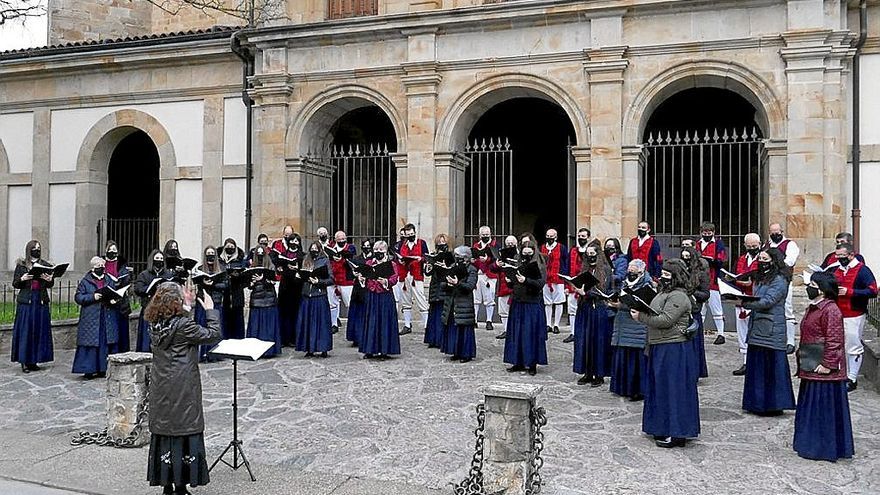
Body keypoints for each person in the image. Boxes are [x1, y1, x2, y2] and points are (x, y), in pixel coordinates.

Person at [145, 282, 221, 495]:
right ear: (175, 302)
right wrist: (210, 310)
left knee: (167, 429)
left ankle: (167, 485)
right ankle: (180, 486)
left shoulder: (155, 323)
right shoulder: (183, 326)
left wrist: (187, 307)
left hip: (162, 384)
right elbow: (212, 334)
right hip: (182, 384)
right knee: (183, 428)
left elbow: (179, 325)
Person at [632, 260, 700, 448]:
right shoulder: (665, 292)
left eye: (667, 274)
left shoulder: (679, 296)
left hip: (673, 347)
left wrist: (641, 317)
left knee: (673, 389)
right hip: (660, 344)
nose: (663, 277)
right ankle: (662, 427)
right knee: (661, 388)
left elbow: (666, 319)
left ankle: (676, 431)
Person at [793, 271, 854, 462]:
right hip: (811, 364)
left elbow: (835, 339)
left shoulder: (831, 310)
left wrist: (828, 364)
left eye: (812, 284)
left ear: (821, 289)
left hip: (823, 370)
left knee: (823, 410)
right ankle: (810, 444)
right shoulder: (816, 307)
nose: (808, 287)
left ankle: (822, 447)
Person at [738, 248, 795, 416]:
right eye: (760, 258)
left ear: (773, 260)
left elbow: (768, 301)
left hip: (771, 329)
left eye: (765, 258)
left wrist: (745, 303)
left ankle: (772, 404)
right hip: (759, 327)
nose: (761, 261)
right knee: (758, 367)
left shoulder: (779, 279)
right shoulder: (763, 278)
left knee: (771, 368)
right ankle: (756, 403)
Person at [831, 242, 878, 392]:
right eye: (837, 256)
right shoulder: (837, 269)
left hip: (854, 314)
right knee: (838, 345)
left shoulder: (863, 271)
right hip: (838, 313)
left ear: (851, 255)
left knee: (853, 346)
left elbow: (872, 291)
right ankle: (841, 373)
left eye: (842, 256)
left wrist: (851, 292)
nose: (839, 259)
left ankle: (852, 378)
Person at [503, 240, 548, 376]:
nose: (526, 255)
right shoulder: (518, 262)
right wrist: (510, 281)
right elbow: (516, 282)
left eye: (529, 253)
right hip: (518, 301)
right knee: (517, 332)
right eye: (524, 253)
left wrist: (526, 280)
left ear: (533, 252)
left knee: (530, 333)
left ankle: (532, 363)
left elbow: (541, 283)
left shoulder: (539, 264)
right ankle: (518, 362)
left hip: (532, 303)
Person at [572, 245, 614, 386]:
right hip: (585, 309)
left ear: (598, 254)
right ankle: (587, 372)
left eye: (592, 253)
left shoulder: (606, 270)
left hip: (599, 309)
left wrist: (587, 293)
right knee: (585, 341)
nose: (590, 256)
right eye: (588, 253)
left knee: (599, 342)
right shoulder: (584, 270)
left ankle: (599, 374)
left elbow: (605, 291)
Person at [72, 256, 121, 378]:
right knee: (90, 343)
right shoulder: (85, 281)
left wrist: (114, 299)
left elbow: (114, 292)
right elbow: (78, 297)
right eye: (98, 266)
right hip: (91, 317)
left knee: (105, 342)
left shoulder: (108, 280)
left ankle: (103, 369)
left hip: (106, 315)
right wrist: (92, 297)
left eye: (103, 266)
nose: (101, 268)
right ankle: (88, 369)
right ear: (93, 268)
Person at [608, 260, 650, 400]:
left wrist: (622, 305)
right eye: (629, 270)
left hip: (636, 327)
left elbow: (645, 304)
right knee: (623, 357)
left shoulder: (647, 284)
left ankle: (637, 390)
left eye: (633, 271)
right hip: (621, 323)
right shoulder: (625, 283)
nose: (630, 273)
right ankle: (621, 387)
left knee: (635, 360)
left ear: (641, 271)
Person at [11, 240, 55, 373]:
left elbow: (49, 284)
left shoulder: (44, 265)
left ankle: (35, 360)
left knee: (38, 329)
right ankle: (24, 361)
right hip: (26, 301)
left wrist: (49, 280)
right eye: (34, 248)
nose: (37, 250)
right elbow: (15, 284)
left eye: (39, 248)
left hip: (40, 300)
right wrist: (22, 279)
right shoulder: (22, 265)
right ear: (29, 249)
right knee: (26, 330)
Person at [358, 241, 401, 359]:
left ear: (385, 251)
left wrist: (386, 281)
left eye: (380, 251)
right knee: (371, 321)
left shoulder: (391, 264)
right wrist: (362, 278)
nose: (378, 253)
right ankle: (369, 349)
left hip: (385, 296)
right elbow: (364, 278)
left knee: (384, 322)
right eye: (376, 251)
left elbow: (395, 278)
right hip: (372, 295)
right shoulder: (369, 263)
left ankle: (384, 350)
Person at [295, 242, 334, 358]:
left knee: (321, 323)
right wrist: (299, 277)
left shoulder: (325, 260)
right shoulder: (306, 260)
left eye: (316, 249)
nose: (313, 251)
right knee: (308, 323)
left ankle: (323, 348)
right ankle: (309, 348)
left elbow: (331, 279)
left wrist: (319, 282)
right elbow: (301, 278)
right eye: (311, 249)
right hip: (307, 295)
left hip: (319, 295)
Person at [765, 223, 800, 353]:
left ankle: (790, 341)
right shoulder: (767, 245)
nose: (775, 234)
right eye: (772, 232)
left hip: (784, 281)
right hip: (768, 281)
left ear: (782, 231)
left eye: (777, 232)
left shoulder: (790, 245)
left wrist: (772, 262)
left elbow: (789, 262)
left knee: (787, 309)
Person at [440, 246, 479, 363]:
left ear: (466, 258)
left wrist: (457, 284)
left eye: (459, 257)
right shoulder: (452, 267)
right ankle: (455, 351)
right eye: (456, 256)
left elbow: (470, 286)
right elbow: (442, 283)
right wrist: (449, 284)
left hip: (464, 302)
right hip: (452, 301)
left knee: (464, 329)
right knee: (453, 327)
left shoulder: (471, 269)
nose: (457, 259)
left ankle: (466, 354)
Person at [730, 233, 761, 375]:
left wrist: (752, 283)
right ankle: (745, 361)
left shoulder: (764, 259)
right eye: (749, 246)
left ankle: (757, 363)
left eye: (754, 246)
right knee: (742, 331)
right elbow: (735, 274)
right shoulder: (742, 259)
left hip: (756, 299)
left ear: (760, 244)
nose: (752, 248)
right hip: (741, 298)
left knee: (757, 331)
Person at [694, 222, 728, 345]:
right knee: (700, 308)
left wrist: (711, 260)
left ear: (713, 232)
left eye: (709, 233)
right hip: (699, 280)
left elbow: (721, 260)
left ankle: (721, 334)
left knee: (716, 307)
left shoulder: (718, 244)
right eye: (704, 233)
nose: (706, 235)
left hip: (713, 279)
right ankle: (698, 332)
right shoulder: (698, 244)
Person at [680, 246, 710, 378]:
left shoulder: (701, 274)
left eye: (688, 257)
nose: (685, 260)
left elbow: (705, 294)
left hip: (694, 310)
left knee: (694, 344)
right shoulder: (679, 272)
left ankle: (695, 372)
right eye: (683, 257)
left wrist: (691, 292)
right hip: (680, 311)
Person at [134, 249, 172, 352]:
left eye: (161, 259)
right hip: (149, 308)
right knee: (147, 335)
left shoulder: (168, 274)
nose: (159, 261)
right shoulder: (144, 274)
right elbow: (137, 288)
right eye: (157, 259)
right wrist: (149, 289)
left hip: (163, 309)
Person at [246, 245, 281, 357]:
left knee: (268, 327)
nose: (260, 256)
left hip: (269, 299)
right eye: (258, 254)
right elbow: (249, 285)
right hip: (256, 299)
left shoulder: (270, 266)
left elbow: (273, 282)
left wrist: (263, 279)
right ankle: (255, 349)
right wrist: (251, 283)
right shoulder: (252, 266)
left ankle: (269, 350)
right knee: (256, 326)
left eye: (262, 253)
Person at [270, 228, 303, 347]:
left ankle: (294, 338)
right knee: (284, 312)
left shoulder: (302, 256)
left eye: (296, 241)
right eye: (292, 240)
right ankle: (284, 338)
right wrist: (280, 268)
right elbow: (278, 269)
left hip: (297, 287)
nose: (294, 243)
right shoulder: (282, 255)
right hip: (285, 287)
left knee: (295, 312)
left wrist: (298, 269)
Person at [395, 223, 430, 335]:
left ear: (415, 232)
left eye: (412, 234)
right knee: (405, 301)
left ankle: (426, 325)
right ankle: (407, 325)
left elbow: (427, 257)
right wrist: (400, 260)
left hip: (416, 276)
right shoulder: (402, 244)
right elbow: (397, 257)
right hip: (405, 276)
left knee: (421, 299)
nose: (410, 236)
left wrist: (420, 258)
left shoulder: (421, 243)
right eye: (408, 234)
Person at [194, 246, 227, 362]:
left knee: (215, 327)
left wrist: (213, 284)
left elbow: (225, 285)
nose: (210, 255)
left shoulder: (221, 269)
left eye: (212, 253)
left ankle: (215, 353)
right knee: (203, 327)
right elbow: (196, 283)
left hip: (216, 301)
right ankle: (202, 353)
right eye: (208, 253)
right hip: (203, 302)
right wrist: (203, 283)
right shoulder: (199, 269)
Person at [564, 228, 596, 344]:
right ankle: (573, 332)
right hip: (573, 284)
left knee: (584, 309)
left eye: (583, 236)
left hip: (586, 285)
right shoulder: (573, 250)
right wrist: (567, 286)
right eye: (579, 236)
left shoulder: (591, 251)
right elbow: (567, 267)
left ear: (588, 237)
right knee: (572, 310)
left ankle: (583, 332)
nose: (581, 238)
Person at [104, 240, 132, 353]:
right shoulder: (102, 264)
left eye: (114, 250)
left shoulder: (122, 265)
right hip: (107, 302)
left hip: (121, 303)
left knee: (122, 330)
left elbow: (127, 281)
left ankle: (123, 351)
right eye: (110, 250)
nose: (112, 252)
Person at [326, 230, 357, 334]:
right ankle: (334, 324)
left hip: (346, 280)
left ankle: (353, 325)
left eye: (343, 239)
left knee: (349, 303)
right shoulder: (330, 248)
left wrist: (341, 259)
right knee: (332, 303)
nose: (341, 241)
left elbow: (352, 260)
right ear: (335, 239)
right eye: (339, 239)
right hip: (333, 279)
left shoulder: (350, 248)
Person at [541, 228, 570, 335]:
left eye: (551, 236)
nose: (549, 238)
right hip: (546, 279)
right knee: (547, 302)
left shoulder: (561, 248)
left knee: (558, 302)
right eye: (547, 236)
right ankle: (548, 324)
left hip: (559, 279)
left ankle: (556, 324)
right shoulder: (543, 247)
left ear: (556, 237)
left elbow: (565, 263)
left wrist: (565, 279)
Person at [424, 234, 450, 349]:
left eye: (443, 243)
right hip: (435, 286)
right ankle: (432, 339)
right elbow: (428, 273)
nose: (441, 245)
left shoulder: (450, 256)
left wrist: (445, 266)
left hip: (445, 286)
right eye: (439, 243)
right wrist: (428, 267)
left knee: (443, 313)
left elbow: (453, 271)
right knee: (433, 313)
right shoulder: (433, 255)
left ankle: (441, 339)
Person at [346, 239, 373, 347]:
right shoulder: (357, 259)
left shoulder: (374, 259)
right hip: (358, 289)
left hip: (369, 288)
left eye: (368, 246)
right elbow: (349, 275)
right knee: (357, 313)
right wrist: (354, 274)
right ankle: (356, 337)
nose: (366, 248)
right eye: (364, 246)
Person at [219, 238, 247, 340]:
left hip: (237, 292)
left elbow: (245, 278)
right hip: (224, 293)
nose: (230, 249)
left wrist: (238, 275)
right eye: (228, 247)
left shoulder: (240, 260)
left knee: (237, 319)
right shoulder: (220, 260)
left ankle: (238, 339)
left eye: (232, 247)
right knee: (225, 318)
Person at [472, 226, 499, 331]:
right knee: (476, 299)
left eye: (487, 234)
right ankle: (474, 320)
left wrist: (487, 259)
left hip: (490, 275)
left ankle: (489, 320)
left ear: (490, 234)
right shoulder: (476, 245)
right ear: (480, 235)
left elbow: (497, 259)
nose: (485, 236)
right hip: (478, 274)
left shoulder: (495, 245)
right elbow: (473, 258)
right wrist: (473, 260)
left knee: (490, 298)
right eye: (483, 234)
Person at [493, 235, 519, 340]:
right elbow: (493, 269)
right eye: (508, 242)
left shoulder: (520, 254)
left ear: (516, 243)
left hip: (515, 287)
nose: (510, 244)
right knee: (503, 311)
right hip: (503, 286)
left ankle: (515, 330)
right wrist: (497, 264)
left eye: (512, 242)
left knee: (515, 311)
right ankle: (506, 330)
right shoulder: (501, 254)